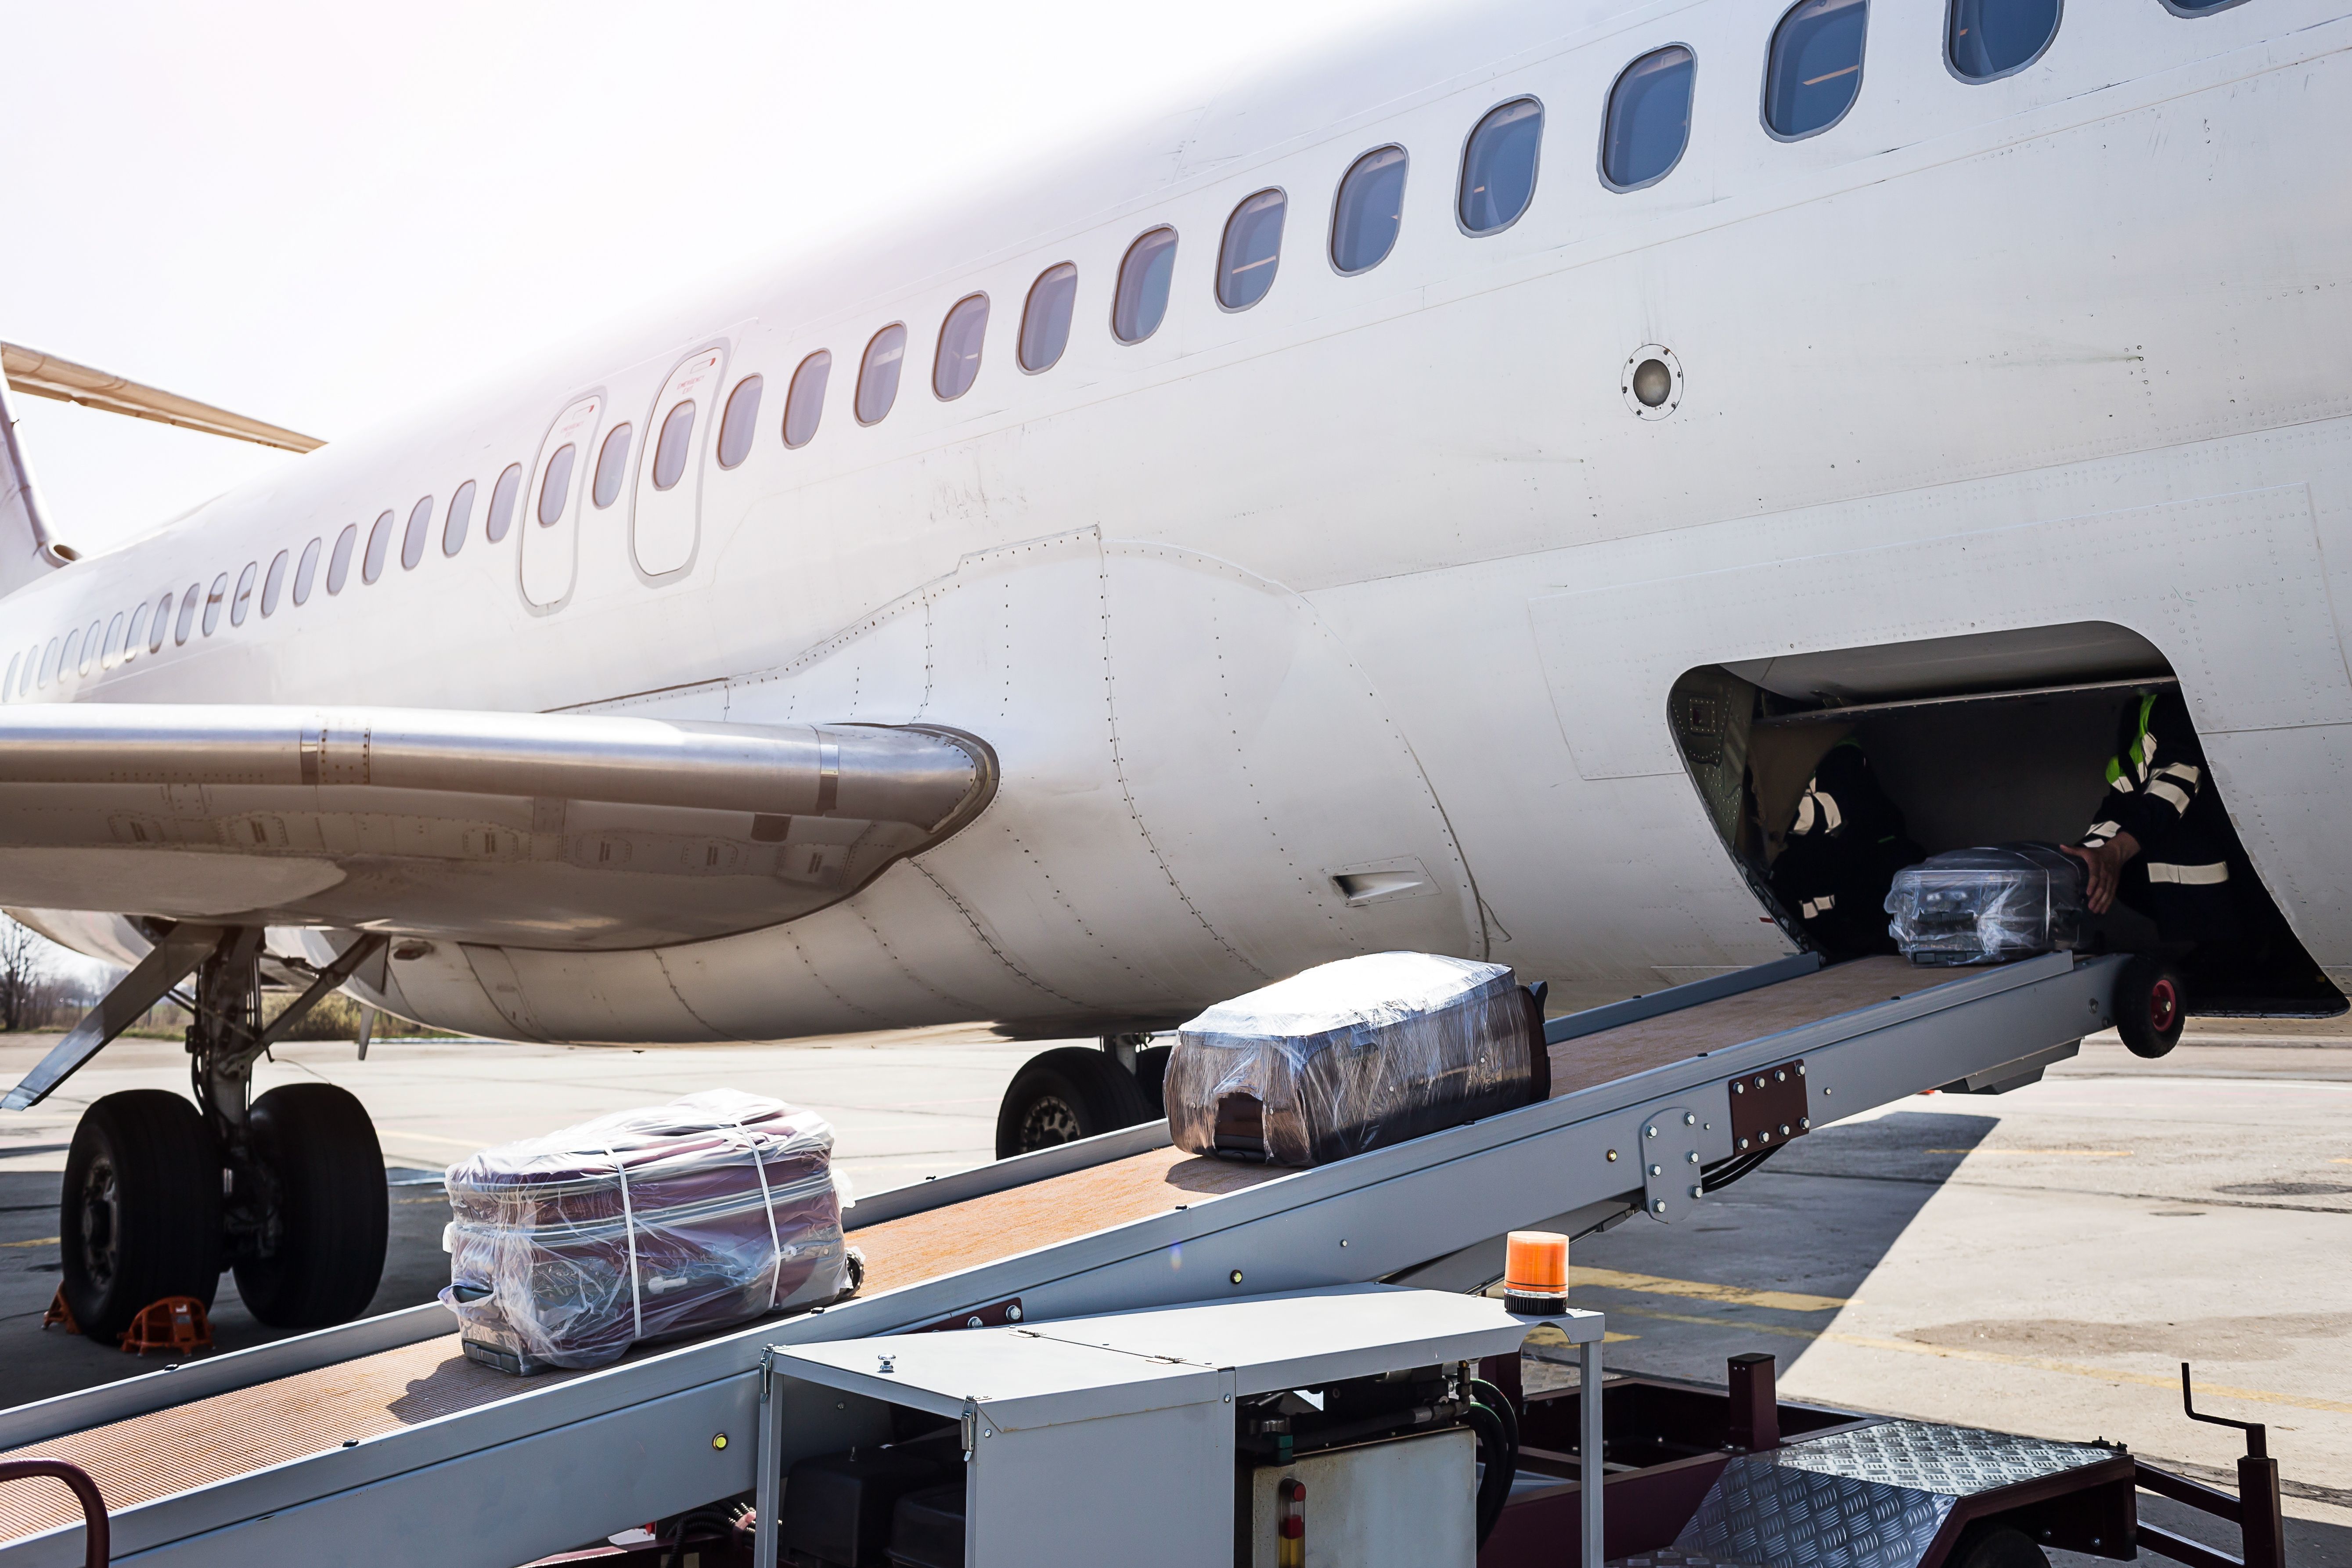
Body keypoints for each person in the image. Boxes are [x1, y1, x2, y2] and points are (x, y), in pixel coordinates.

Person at [2059, 689, 2237, 944]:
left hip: (2229, 916)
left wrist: (2115, 852)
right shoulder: (2139, 711)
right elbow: (2124, 800)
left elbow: (2179, 781)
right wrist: (2089, 856)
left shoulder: (2177, 702)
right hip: (2183, 923)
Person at [1769, 736, 1923, 961]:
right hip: (1840, 859)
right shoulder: (1791, 758)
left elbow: (1826, 815)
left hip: (1875, 856)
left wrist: (1775, 814)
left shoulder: (1841, 753)